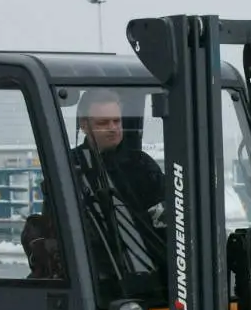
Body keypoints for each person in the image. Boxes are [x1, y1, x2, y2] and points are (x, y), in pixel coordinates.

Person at [22, 88, 166, 281]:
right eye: (103, 122)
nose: (113, 128)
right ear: (84, 125)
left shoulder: (142, 165)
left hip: (145, 274)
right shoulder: (68, 167)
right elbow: (54, 225)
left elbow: (166, 220)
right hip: (90, 280)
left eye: (117, 121)